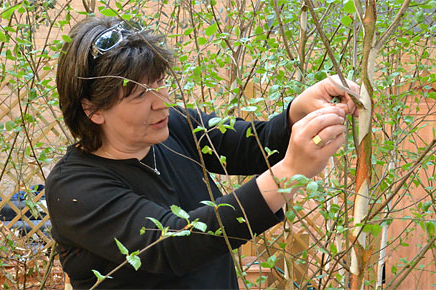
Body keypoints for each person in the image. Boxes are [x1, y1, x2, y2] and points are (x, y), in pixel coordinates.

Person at [47, 16, 359, 289]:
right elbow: (173, 244)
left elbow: (253, 144)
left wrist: (298, 111)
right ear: (93, 109)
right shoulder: (75, 190)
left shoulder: (174, 127)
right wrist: (288, 173)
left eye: (159, 82)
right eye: (141, 94)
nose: (161, 102)